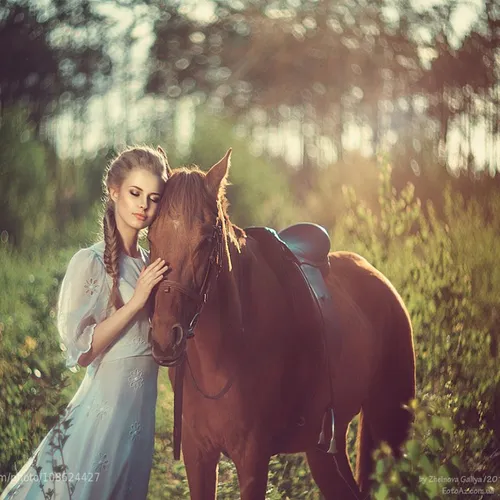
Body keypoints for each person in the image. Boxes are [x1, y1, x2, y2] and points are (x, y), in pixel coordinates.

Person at [1, 146, 170, 500]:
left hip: (139, 421)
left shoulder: (153, 265)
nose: (144, 205)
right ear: (114, 191)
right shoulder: (90, 262)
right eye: (135, 193)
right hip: (102, 418)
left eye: (153, 198)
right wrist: (137, 301)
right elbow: (83, 351)